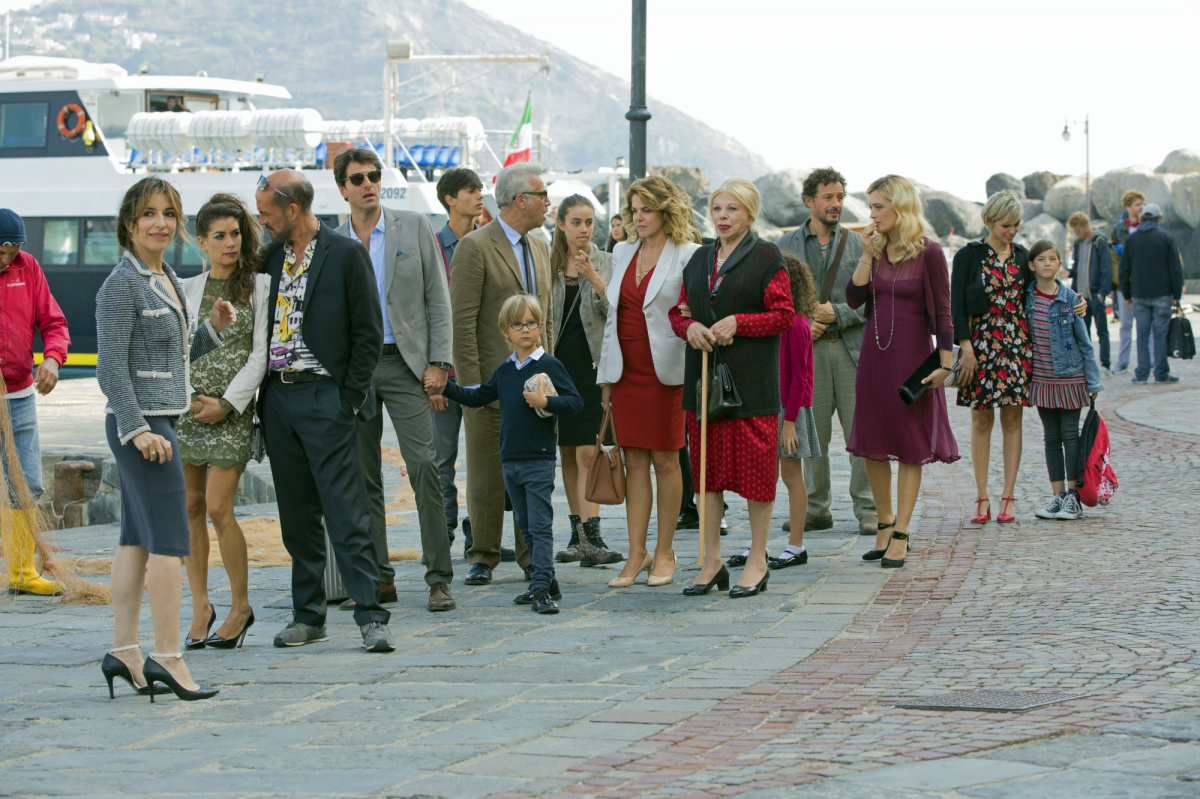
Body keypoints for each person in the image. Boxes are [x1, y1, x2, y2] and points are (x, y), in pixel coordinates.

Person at [96, 177, 232, 701]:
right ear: (129, 224)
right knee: (171, 544)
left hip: (159, 422)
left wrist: (210, 330)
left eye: (169, 213)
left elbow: (168, 358)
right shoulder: (121, 285)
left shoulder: (165, 277)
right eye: (149, 213)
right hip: (145, 429)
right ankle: (170, 657)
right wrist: (137, 430)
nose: (160, 223)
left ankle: (125, 650)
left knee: (136, 539)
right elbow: (111, 368)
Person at [254, 169, 395, 652]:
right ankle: (308, 616)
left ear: (293, 208)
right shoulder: (270, 257)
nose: (262, 221)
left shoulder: (346, 255)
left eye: (267, 214)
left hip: (326, 398)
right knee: (296, 517)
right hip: (278, 400)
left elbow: (368, 334)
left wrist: (348, 399)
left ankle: (372, 616)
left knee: (346, 511)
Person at [333, 148, 456, 613]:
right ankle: (378, 579)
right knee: (363, 477)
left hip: (407, 365)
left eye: (374, 175)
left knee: (424, 466)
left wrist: (439, 362)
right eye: (358, 178)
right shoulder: (334, 241)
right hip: (356, 371)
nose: (368, 183)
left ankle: (439, 578)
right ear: (343, 189)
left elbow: (438, 298)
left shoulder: (414, 226)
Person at [670, 178, 794, 597]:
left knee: (758, 475)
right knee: (706, 476)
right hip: (704, 383)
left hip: (753, 383)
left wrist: (740, 322)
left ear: (750, 213)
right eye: (717, 209)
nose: (722, 217)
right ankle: (712, 561)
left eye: (732, 209)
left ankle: (758, 560)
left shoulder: (766, 256)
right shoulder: (699, 258)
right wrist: (689, 328)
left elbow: (784, 315)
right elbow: (678, 311)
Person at [433, 295, 582, 613]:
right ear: (505, 330)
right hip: (510, 460)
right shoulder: (504, 371)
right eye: (517, 324)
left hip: (539, 458)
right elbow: (478, 396)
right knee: (525, 525)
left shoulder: (549, 365)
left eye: (531, 323)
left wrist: (546, 402)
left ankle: (540, 588)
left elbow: (575, 402)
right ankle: (547, 580)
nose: (525, 329)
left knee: (539, 525)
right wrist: (445, 386)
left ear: (540, 327)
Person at [449, 162, 553, 587]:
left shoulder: (541, 246)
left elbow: (548, 316)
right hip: (490, 385)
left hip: (535, 386)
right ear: (520, 200)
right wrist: (472, 387)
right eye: (542, 195)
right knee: (487, 475)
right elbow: (462, 322)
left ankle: (532, 558)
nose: (548, 202)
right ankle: (483, 555)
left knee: (532, 474)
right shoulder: (474, 246)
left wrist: (550, 376)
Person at [848, 175, 958, 569]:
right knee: (873, 442)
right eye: (871, 206)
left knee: (910, 444)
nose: (872, 215)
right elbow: (853, 298)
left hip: (913, 360)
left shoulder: (930, 252)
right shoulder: (875, 249)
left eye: (878, 206)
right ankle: (884, 522)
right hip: (874, 358)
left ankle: (902, 532)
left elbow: (943, 310)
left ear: (901, 206)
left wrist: (946, 363)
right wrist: (866, 254)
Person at [596, 176, 701, 588]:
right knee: (634, 460)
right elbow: (613, 319)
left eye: (647, 210)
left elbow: (695, 310)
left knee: (666, 460)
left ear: (665, 211)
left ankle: (665, 551)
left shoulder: (689, 253)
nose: (638, 217)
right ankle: (636, 552)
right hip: (625, 372)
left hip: (667, 373)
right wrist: (606, 377)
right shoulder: (622, 251)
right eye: (634, 210)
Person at [178, 194, 270, 650]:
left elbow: (260, 354)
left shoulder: (260, 286)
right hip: (188, 411)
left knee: (218, 507)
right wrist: (190, 399)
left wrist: (229, 403)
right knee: (190, 506)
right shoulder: (186, 288)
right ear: (202, 241)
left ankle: (241, 606)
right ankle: (200, 605)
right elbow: (180, 349)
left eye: (235, 234)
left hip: (232, 413)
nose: (230, 243)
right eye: (220, 236)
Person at [775, 168, 876, 536]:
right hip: (808, 352)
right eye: (828, 197)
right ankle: (816, 509)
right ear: (809, 201)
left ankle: (868, 509)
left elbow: (875, 299)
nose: (836, 204)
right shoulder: (783, 245)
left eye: (840, 197)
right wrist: (806, 322)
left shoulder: (860, 244)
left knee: (861, 435)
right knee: (811, 433)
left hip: (851, 352)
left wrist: (839, 314)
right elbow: (776, 298)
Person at [723, 250, 819, 571]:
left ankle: (796, 545)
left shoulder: (798, 325)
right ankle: (758, 546)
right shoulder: (768, 322)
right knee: (762, 476)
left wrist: (789, 422)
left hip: (791, 410)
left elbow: (800, 378)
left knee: (791, 475)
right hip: (765, 405)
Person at [548, 195, 623, 567]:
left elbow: (619, 312)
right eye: (576, 222)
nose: (584, 229)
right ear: (560, 223)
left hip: (592, 368)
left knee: (587, 453)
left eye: (589, 222)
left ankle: (593, 536)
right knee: (566, 452)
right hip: (556, 369)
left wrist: (593, 278)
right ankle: (577, 535)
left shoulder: (607, 261)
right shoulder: (547, 264)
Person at [952, 190, 1032, 525]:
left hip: (1017, 346)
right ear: (989, 221)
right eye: (1005, 225)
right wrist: (966, 348)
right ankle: (982, 496)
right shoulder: (968, 255)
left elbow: (1042, 292)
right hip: (981, 346)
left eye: (1016, 225)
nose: (1011, 231)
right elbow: (956, 306)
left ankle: (1008, 497)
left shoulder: (1024, 256)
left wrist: (1076, 303)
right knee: (981, 420)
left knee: (1013, 421)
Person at [0, 208, 69, 597]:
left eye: (12, 252)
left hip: (19, 396)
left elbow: (54, 323)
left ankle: (22, 572)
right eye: (1, 252)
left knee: (26, 484)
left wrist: (53, 359)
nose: (7, 259)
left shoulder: (28, 268)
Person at [1025, 241, 1103, 521]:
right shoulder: (1027, 298)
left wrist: (1093, 382)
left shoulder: (1070, 300)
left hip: (1071, 378)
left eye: (1052, 259)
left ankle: (1073, 496)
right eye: (1041, 259)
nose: (1047, 263)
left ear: (1060, 264)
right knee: (1051, 437)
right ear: (1031, 265)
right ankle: (1058, 496)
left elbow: (1085, 343)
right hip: (1042, 379)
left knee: (1070, 436)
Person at [1120, 202, 1183, 385]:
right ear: (1158, 218)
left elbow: (1124, 270)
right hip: (1162, 294)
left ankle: (1141, 374)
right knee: (1160, 335)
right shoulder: (1166, 237)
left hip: (1139, 295)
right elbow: (1175, 269)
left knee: (1142, 334)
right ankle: (1161, 374)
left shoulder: (1132, 239)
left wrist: (1127, 295)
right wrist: (1177, 295)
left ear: (1142, 218)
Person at [1067, 212, 1113, 375]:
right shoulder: (1078, 244)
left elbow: (1106, 269)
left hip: (1096, 296)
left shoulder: (1100, 241)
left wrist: (1102, 293)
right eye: (1075, 231)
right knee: (1082, 334)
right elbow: (1078, 268)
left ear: (1086, 226)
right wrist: (1069, 273)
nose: (1076, 234)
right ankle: (1086, 366)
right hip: (1081, 298)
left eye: (1078, 230)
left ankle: (1106, 365)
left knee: (1102, 332)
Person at [1111, 190, 1145, 373]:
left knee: (1144, 325)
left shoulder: (1146, 226)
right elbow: (1112, 258)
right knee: (1125, 324)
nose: (1141, 208)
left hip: (1143, 282)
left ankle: (1146, 361)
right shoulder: (1119, 229)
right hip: (1124, 283)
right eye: (1137, 204)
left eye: (1142, 204)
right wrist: (1113, 283)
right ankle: (1123, 361)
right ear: (1128, 207)